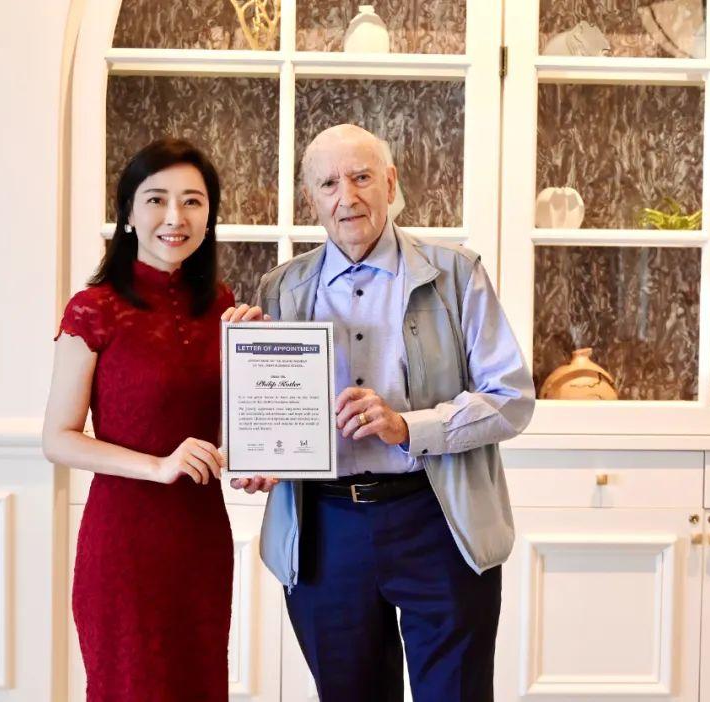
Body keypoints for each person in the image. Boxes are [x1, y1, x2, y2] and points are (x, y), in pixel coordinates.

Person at [226, 124, 535, 701]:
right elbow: (274, 412)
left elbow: (511, 397)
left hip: (437, 518)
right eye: (328, 184)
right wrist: (261, 459)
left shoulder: (455, 273)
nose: (347, 196)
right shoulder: (279, 289)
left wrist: (407, 427)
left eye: (361, 177)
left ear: (390, 184)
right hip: (325, 530)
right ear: (311, 199)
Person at [43, 138, 235, 701]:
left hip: (202, 540)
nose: (175, 217)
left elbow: (223, 427)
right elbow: (58, 439)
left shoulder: (223, 306)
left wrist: (257, 455)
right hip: (124, 543)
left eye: (193, 201)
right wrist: (158, 466)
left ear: (209, 217)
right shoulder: (93, 308)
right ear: (128, 212)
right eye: (156, 199)